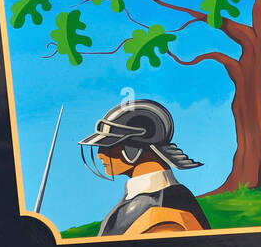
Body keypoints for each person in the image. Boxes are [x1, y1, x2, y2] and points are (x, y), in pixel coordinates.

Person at [79, 99, 212, 236]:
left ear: (134, 149)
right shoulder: (143, 199)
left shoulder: (167, 208)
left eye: (110, 145)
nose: (100, 154)